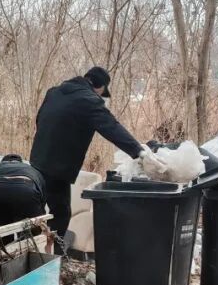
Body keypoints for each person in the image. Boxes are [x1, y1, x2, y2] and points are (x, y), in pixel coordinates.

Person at [30, 67, 144, 245]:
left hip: (36, 160)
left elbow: (39, 118)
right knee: (60, 213)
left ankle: (33, 248)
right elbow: (111, 128)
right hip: (58, 167)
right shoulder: (89, 100)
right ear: (99, 87)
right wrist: (139, 152)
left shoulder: (54, 92)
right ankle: (50, 257)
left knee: (36, 210)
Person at [0, 154, 46, 234]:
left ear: (3, 162)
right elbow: (42, 201)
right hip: (26, 192)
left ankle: (4, 243)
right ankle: (27, 241)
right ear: (21, 163)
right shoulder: (33, 170)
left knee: (2, 235)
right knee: (29, 236)